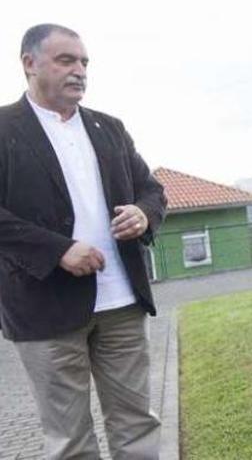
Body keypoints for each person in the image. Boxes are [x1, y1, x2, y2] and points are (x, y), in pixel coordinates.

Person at [0, 24, 166, 459]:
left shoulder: (109, 128)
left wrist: (143, 213)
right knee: (70, 439)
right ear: (29, 63)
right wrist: (57, 250)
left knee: (137, 424)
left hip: (121, 305)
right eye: (66, 60)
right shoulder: (2, 130)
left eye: (84, 62)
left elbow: (152, 189)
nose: (79, 71)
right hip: (43, 309)